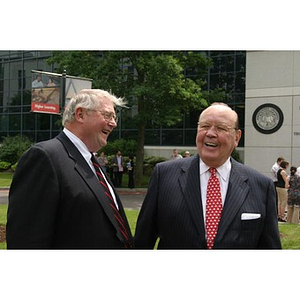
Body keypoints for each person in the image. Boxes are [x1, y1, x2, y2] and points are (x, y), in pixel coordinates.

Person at [135, 102, 281, 249]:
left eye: (221, 128)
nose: (210, 133)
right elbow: (143, 241)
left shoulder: (261, 186)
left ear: (237, 137)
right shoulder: (164, 175)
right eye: (204, 126)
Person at [6, 89, 133, 249]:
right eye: (107, 115)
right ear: (80, 114)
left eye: (114, 117)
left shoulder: (92, 162)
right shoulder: (44, 157)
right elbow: (26, 240)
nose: (113, 123)